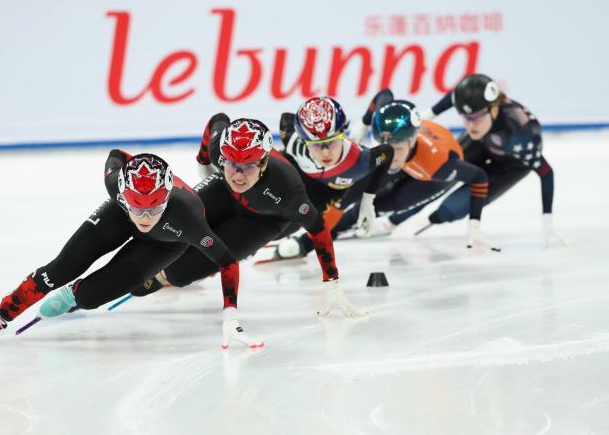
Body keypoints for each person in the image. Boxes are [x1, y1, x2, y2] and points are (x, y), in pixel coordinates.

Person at [0, 152, 259, 349]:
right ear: (122, 195)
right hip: (116, 218)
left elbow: (227, 261)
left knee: (92, 296)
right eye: (139, 208)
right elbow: (116, 155)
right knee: (60, 269)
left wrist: (230, 313)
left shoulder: (189, 215)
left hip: (167, 243)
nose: (146, 217)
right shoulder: (115, 185)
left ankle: (72, 297)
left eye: (155, 208)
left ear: (167, 199)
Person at [101, 115, 365, 319]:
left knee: (179, 272)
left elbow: (319, 230)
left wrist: (332, 286)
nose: (239, 174)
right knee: (166, 225)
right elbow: (218, 120)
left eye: (248, 166)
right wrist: (205, 164)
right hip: (222, 190)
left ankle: (163, 278)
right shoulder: (221, 152)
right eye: (231, 163)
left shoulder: (289, 190)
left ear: (262, 164)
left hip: (262, 220)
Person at [331, 91, 498, 250]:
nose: (390, 153)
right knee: (351, 190)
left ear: (411, 142)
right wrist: (364, 123)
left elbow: (479, 176)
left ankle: (376, 225)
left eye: (396, 148)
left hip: (431, 177)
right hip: (410, 157)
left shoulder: (439, 166)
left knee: (376, 205)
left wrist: (474, 222)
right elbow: (384, 94)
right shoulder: (389, 128)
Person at [418, 73, 568, 247]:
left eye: (476, 117)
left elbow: (546, 173)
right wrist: (427, 115)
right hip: (484, 140)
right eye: (466, 117)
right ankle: (392, 220)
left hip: (511, 166)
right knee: (440, 172)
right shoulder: (479, 107)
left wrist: (547, 219)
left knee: (449, 210)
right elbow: (456, 97)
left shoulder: (520, 136)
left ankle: (436, 216)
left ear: (494, 110)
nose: (471, 124)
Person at [268, 96, 394, 260]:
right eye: (317, 145)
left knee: (278, 232)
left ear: (342, 134)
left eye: (332, 142)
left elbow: (388, 153)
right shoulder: (293, 143)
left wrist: (368, 199)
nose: (326, 152)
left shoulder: (360, 161)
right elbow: (286, 118)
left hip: (327, 192)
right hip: (299, 173)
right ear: (303, 141)